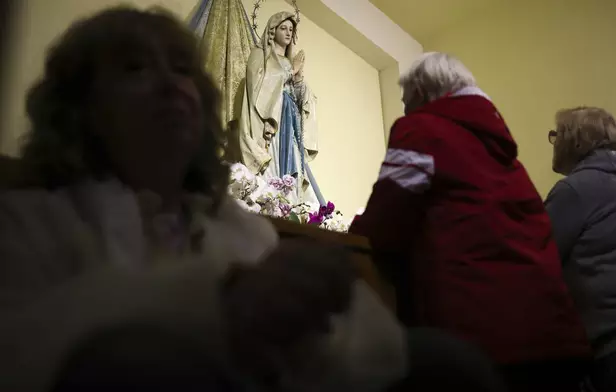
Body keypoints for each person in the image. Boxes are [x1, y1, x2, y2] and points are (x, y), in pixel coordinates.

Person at [0, 8, 407, 392]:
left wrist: (320, 304)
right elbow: (19, 352)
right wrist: (221, 301)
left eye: (182, 70)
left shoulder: (239, 227)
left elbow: (377, 350)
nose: (172, 84)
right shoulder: (31, 220)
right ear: (80, 104)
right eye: (135, 67)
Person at [350, 52, 590, 391]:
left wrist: (352, 240)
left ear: (423, 93)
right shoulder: (503, 155)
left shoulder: (420, 129)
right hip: (553, 335)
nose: (405, 111)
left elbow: (387, 218)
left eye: (407, 102)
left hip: (482, 334)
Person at [545, 106, 616, 392]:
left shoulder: (575, 189)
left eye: (556, 135)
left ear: (575, 141)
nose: (553, 142)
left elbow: (538, 257)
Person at [238, 11, 324, 206]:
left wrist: (299, 78)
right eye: (283, 28)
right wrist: (290, 70)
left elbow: (301, 101)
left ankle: (290, 201)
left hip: (290, 122)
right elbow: (258, 86)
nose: (288, 33)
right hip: (271, 122)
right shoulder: (260, 55)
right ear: (272, 31)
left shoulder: (288, 62)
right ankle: (272, 198)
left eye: (291, 30)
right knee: (274, 160)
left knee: (292, 158)